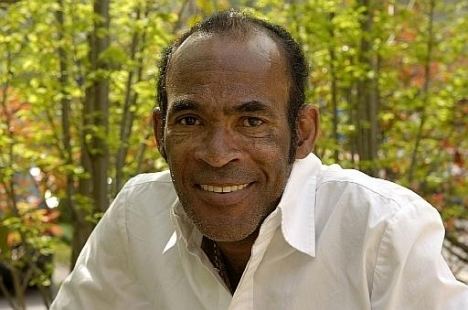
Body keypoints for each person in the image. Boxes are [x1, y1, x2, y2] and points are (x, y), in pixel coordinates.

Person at [51, 11, 467, 309]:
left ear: (302, 132)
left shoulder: (383, 230)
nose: (217, 154)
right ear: (160, 132)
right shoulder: (137, 214)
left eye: (251, 121)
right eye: (191, 119)